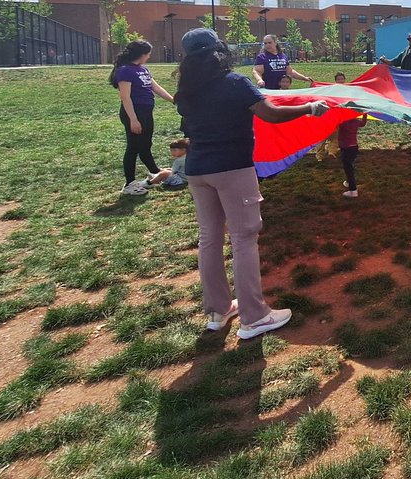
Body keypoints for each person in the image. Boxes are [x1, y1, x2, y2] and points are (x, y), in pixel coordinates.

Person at [174, 27, 329, 340]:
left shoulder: (186, 90)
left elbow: (189, 129)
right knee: (244, 237)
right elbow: (269, 114)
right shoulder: (234, 82)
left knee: (209, 238)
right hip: (232, 168)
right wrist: (309, 108)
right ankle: (255, 317)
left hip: (197, 170)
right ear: (218, 51)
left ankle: (218, 311)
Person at [110, 40, 175, 196]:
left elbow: (156, 88)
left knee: (145, 144)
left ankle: (154, 172)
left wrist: (174, 100)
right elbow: (125, 97)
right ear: (142, 54)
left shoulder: (143, 70)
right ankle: (129, 184)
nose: (149, 56)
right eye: (148, 53)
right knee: (133, 147)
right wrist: (133, 119)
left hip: (146, 112)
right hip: (133, 113)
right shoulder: (125, 71)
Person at [313, 72, 347, 160]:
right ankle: (320, 156)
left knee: (335, 137)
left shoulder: (348, 91)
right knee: (322, 138)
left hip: (336, 119)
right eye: (338, 79)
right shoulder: (330, 90)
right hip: (327, 118)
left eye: (342, 79)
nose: (340, 81)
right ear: (335, 81)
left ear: (345, 80)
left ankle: (332, 152)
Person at [337, 108, 368, 198]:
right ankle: (348, 182)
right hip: (354, 148)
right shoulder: (355, 122)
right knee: (349, 166)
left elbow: (335, 121)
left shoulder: (343, 122)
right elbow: (363, 123)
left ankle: (353, 190)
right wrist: (365, 114)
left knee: (348, 168)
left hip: (346, 149)